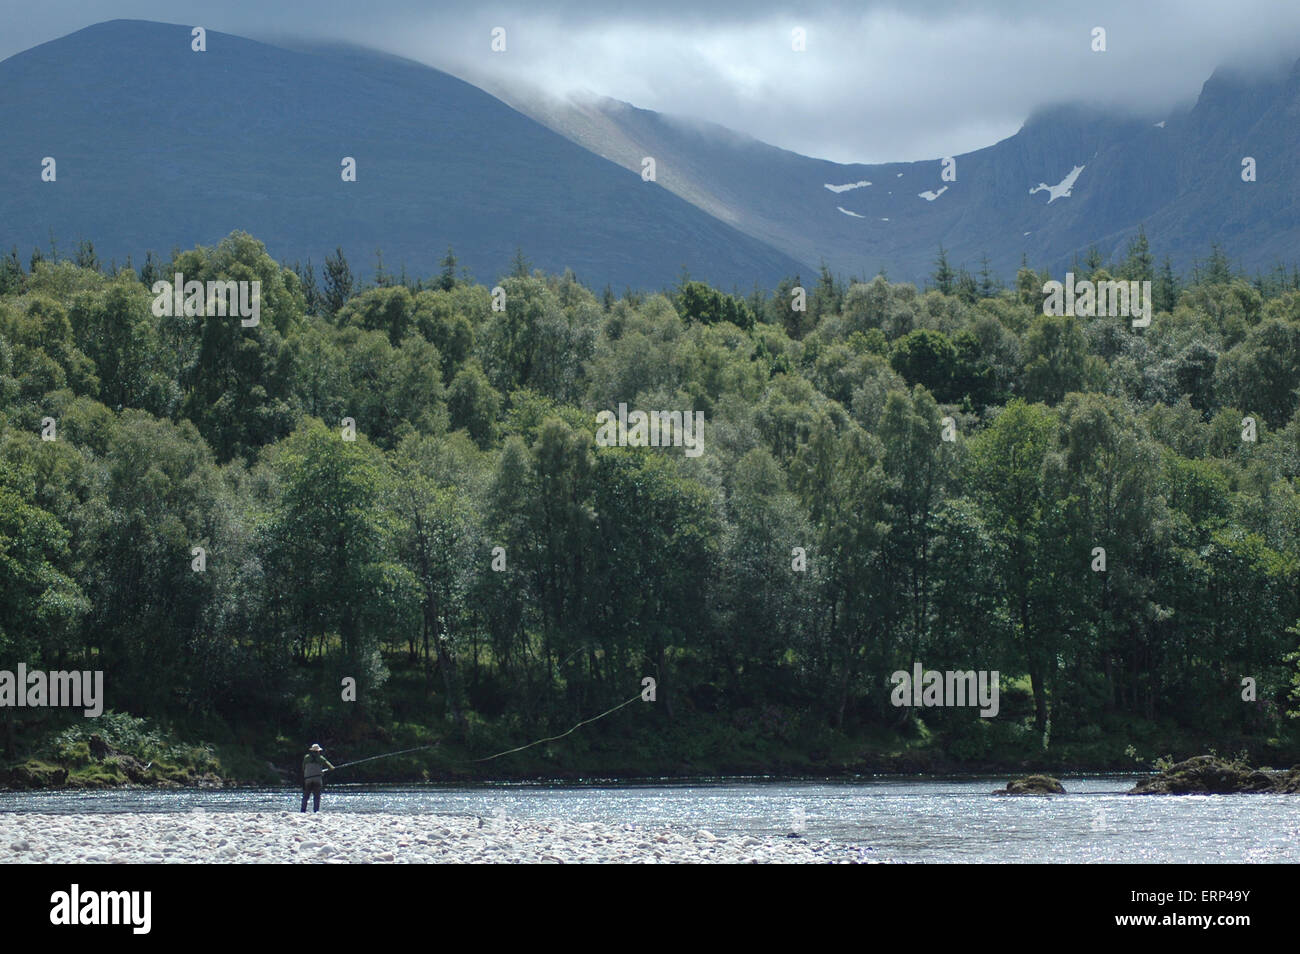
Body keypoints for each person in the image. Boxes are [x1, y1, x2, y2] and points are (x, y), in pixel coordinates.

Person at [301, 743, 335, 813]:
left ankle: (302, 811)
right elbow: (331, 767)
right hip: (317, 780)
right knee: (316, 797)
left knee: (305, 796)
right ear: (318, 751)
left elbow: (303, 768)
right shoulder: (321, 758)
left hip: (307, 780)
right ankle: (316, 811)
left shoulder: (306, 757)